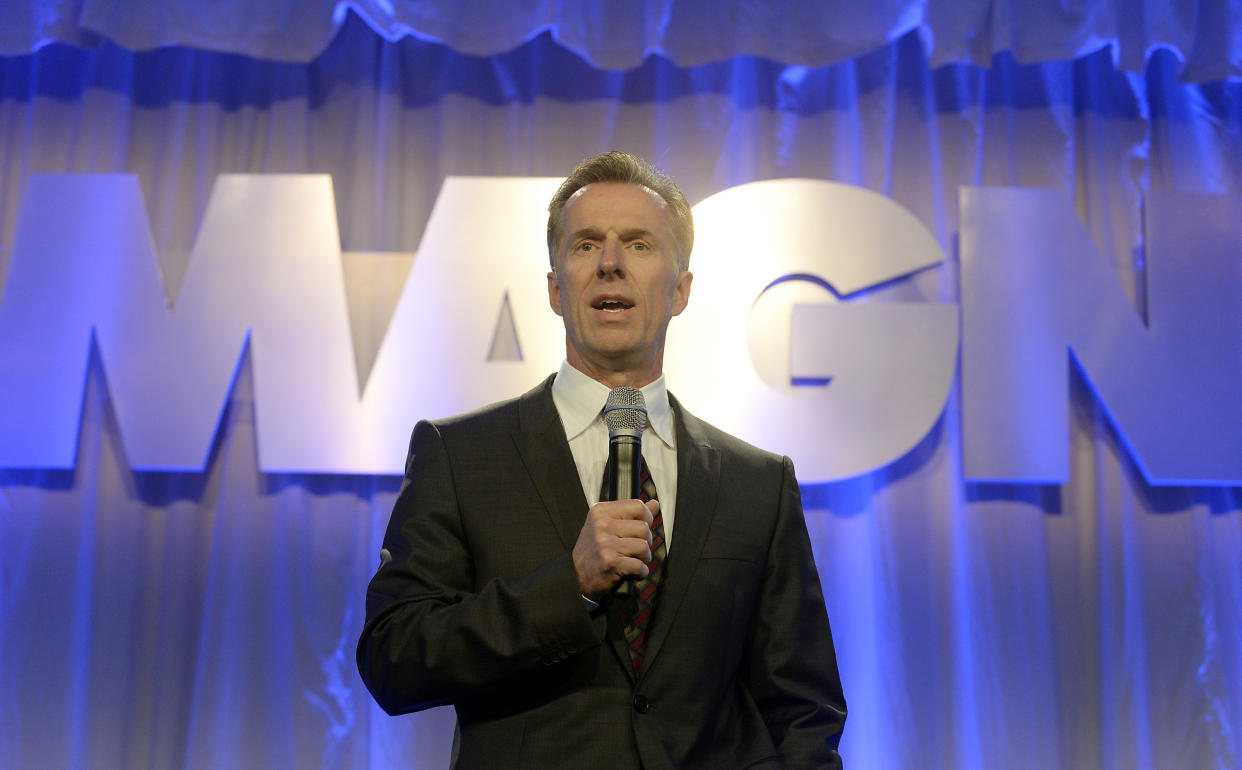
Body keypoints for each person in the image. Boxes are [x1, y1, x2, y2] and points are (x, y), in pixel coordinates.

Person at [357, 151, 846, 768]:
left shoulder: (758, 482)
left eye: (639, 245)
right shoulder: (459, 456)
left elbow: (802, 708)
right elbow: (394, 657)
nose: (611, 264)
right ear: (557, 289)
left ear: (681, 290)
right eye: (587, 245)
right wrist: (571, 584)